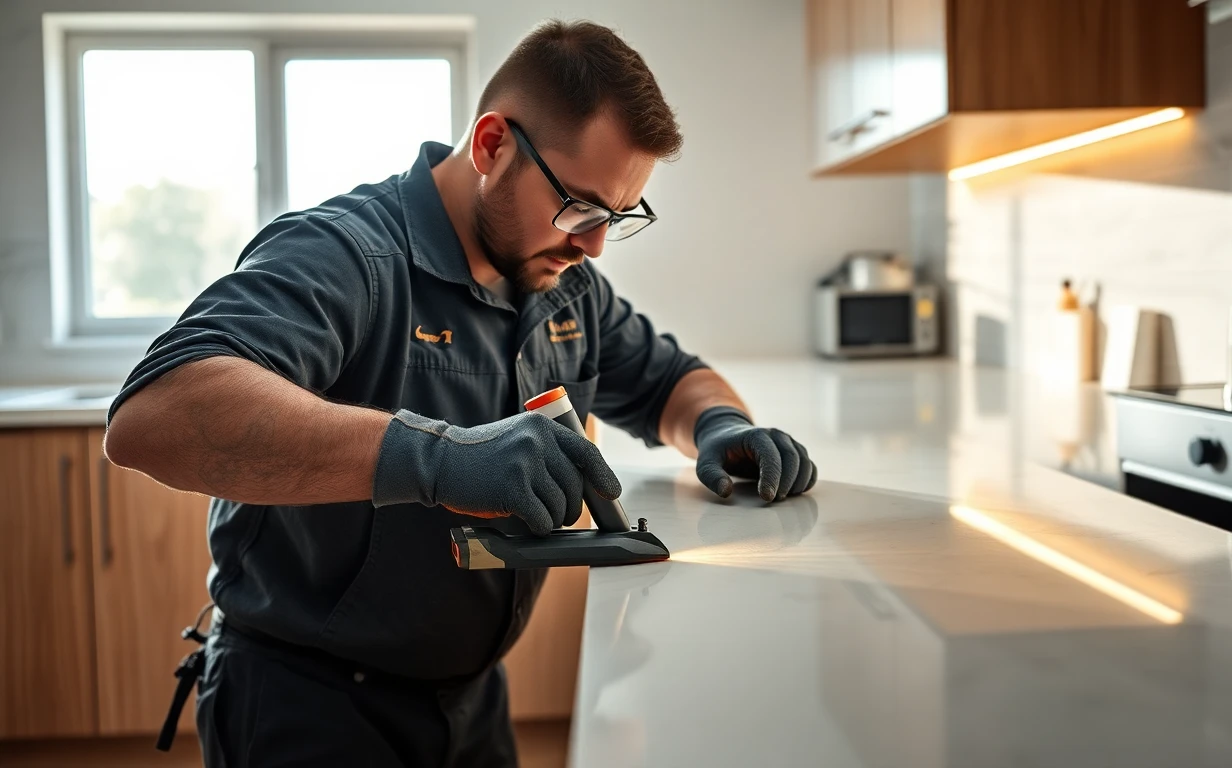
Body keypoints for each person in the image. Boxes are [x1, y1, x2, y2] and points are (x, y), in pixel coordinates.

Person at [105, 18, 817, 768]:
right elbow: (157, 415)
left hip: (472, 702)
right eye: (580, 208)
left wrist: (719, 425)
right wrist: (437, 459)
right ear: (492, 145)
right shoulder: (350, 256)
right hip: (308, 709)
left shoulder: (563, 285)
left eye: (618, 217)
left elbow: (672, 381)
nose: (594, 246)